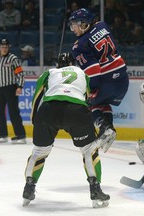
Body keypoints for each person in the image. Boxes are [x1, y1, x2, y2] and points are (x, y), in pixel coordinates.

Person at [22, 52, 110, 208]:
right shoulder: (83, 74)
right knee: (89, 150)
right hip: (76, 110)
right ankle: (95, 188)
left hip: (48, 110)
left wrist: (36, 120)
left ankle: (29, 187)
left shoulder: (49, 73)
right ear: (73, 64)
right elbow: (86, 99)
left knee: (39, 152)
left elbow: (36, 97)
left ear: (58, 65)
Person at [68, 8, 129, 153]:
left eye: (75, 25)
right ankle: (108, 130)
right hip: (122, 78)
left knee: (88, 101)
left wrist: (91, 90)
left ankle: (104, 127)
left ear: (84, 24)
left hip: (106, 80)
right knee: (103, 103)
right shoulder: (103, 26)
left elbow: (93, 71)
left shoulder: (79, 46)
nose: (72, 29)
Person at [0, 38, 27, 144]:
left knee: (13, 112)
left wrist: (19, 86)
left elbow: (20, 74)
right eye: (2, 46)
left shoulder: (13, 58)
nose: (4, 48)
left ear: (8, 47)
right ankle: (2, 134)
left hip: (11, 87)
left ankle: (20, 135)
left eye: (6, 46)